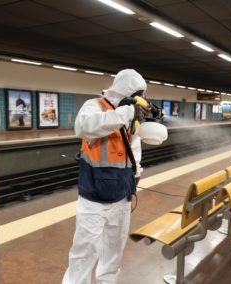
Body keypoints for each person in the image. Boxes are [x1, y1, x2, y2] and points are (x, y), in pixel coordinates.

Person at [62, 69, 150, 284]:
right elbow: (82, 127)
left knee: (114, 249)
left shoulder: (130, 116)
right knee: (84, 251)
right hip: (94, 197)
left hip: (122, 195)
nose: (141, 99)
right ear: (125, 93)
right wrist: (126, 114)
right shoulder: (94, 106)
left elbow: (133, 148)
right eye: (138, 94)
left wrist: (137, 172)